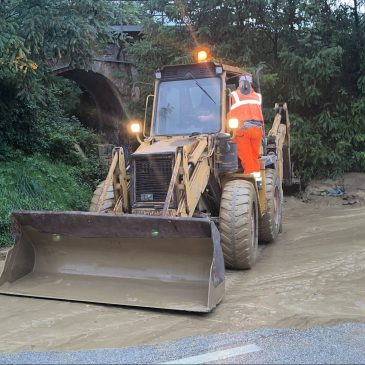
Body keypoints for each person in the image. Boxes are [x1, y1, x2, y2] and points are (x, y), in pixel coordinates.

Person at [230, 74, 264, 175]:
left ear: (240, 83)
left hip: (243, 130)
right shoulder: (258, 96)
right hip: (257, 130)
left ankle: (250, 180)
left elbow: (226, 114)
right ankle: (257, 180)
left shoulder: (233, 95)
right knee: (254, 156)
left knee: (247, 158)